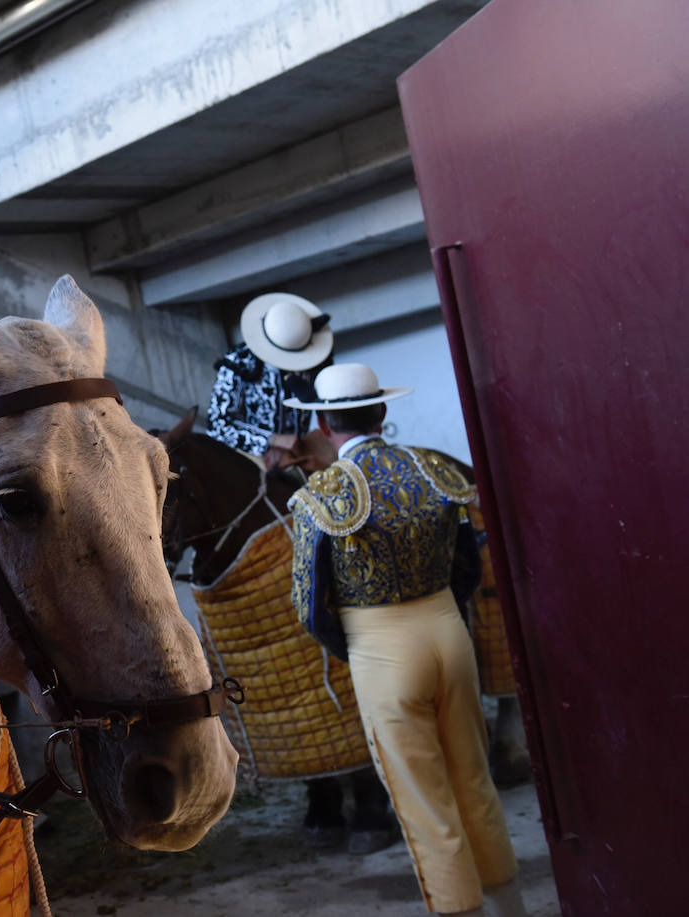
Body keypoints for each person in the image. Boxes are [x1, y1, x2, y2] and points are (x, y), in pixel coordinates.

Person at [285, 363, 526, 917]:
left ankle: (458, 909)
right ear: (383, 412)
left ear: (324, 425)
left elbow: (309, 604)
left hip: (382, 651)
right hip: (449, 631)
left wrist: (361, 649)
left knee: (423, 799)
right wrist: (444, 612)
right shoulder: (434, 469)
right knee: (474, 778)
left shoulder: (322, 493)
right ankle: (512, 906)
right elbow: (468, 566)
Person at [207, 291, 334, 471]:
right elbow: (216, 425)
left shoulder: (314, 363)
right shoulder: (239, 362)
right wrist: (271, 440)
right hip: (249, 457)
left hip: (301, 453)